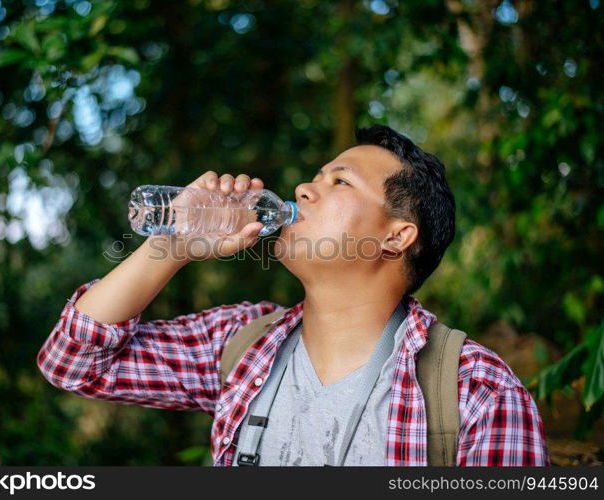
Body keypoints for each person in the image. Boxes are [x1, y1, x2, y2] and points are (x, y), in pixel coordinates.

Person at [36, 124, 551, 466]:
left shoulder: (476, 393)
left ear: (397, 236)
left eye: (340, 181)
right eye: (315, 177)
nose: (305, 189)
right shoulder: (242, 343)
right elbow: (74, 362)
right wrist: (173, 244)